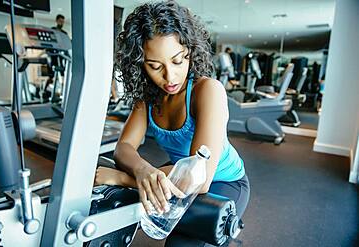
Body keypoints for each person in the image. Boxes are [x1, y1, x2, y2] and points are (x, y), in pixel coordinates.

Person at [95, 1, 250, 246]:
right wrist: (144, 171)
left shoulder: (208, 91)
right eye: (155, 66)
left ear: (190, 51)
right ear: (140, 64)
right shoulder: (147, 98)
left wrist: (125, 179)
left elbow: (200, 176)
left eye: (178, 61)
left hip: (222, 181)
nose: (169, 77)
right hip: (179, 173)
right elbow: (123, 147)